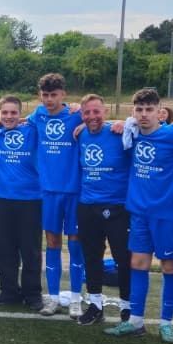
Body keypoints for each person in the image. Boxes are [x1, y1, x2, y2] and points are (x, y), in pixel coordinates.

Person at [104, 88, 173, 341]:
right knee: (138, 264)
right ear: (133, 111)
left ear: (159, 112)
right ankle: (136, 321)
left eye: (149, 109)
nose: (144, 114)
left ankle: (166, 323)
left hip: (168, 214)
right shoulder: (131, 133)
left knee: (169, 266)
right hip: (139, 213)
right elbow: (99, 123)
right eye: (139, 109)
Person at [29, 73, 84, 316]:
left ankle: (75, 298)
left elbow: (101, 123)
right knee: (52, 243)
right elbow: (16, 121)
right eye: (45, 95)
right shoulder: (38, 115)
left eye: (54, 95)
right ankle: (52, 298)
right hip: (49, 192)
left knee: (75, 245)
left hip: (74, 191)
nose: (49, 99)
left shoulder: (76, 114)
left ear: (63, 94)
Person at [74, 94, 131, 326]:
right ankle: (95, 305)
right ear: (82, 115)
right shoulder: (80, 134)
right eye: (87, 112)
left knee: (123, 259)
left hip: (118, 207)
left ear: (105, 112)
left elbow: (150, 137)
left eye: (96, 111)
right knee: (91, 257)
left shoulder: (120, 133)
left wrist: (128, 122)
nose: (92, 117)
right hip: (87, 206)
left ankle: (127, 307)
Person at [0, 95, 41, 308]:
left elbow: (49, 117)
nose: (9, 116)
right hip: (2, 200)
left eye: (13, 112)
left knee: (30, 249)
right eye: (4, 113)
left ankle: (32, 294)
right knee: (4, 249)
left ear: (20, 114)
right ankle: (9, 292)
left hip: (31, 200)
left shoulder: (32, 131)